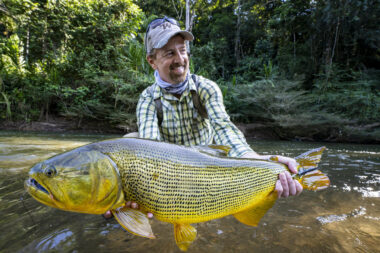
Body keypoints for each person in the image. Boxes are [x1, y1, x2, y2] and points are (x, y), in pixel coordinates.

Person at [103, 16, 302, 219]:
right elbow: (150, 148)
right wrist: (136, 190)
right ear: (152, 61)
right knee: (130, 140)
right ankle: (117, 204)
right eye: (170, 53)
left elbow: (224, 128)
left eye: (182, 50)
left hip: (208, 166)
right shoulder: (147, 98)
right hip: (170, 171)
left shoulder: (206, 88)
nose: (180, 59)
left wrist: (253, 159)